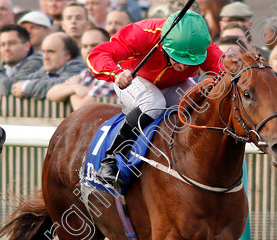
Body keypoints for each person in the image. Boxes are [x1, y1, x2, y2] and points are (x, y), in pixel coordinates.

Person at [88, 10, 226, 189]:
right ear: (165, 45)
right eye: (178, 58)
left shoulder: (203, 46)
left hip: (173, 84)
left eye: (189, 61)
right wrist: (116, 73)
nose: (183, 66)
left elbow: (229, 74)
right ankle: (112, 158)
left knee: (199, 104)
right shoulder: (142, 34)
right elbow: (98, 54)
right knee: (154, 103)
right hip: (133, 79)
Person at [46, 27, 113, 108]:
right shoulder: (86, 73)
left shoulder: (112, 75)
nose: (88, 50)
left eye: (94, 45)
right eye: (84, 46)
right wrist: (75, 87)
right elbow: (51, 94)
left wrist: (72, 94)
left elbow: (82, 108)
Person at [10, 32, 87, 99]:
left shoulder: (78, 66)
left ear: (67, 54)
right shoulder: (48, 69)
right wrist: (20, 86)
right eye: (44, 52)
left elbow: (59, 86)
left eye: (51, 52)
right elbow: (16, 84)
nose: (45, 57)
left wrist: (25, 87)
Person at [0, 23, 42, 95]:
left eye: (11, 43)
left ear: (27, 46)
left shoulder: (36, 62)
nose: (6, 48)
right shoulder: (2, 65)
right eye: (3, 44)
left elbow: (7, 88)